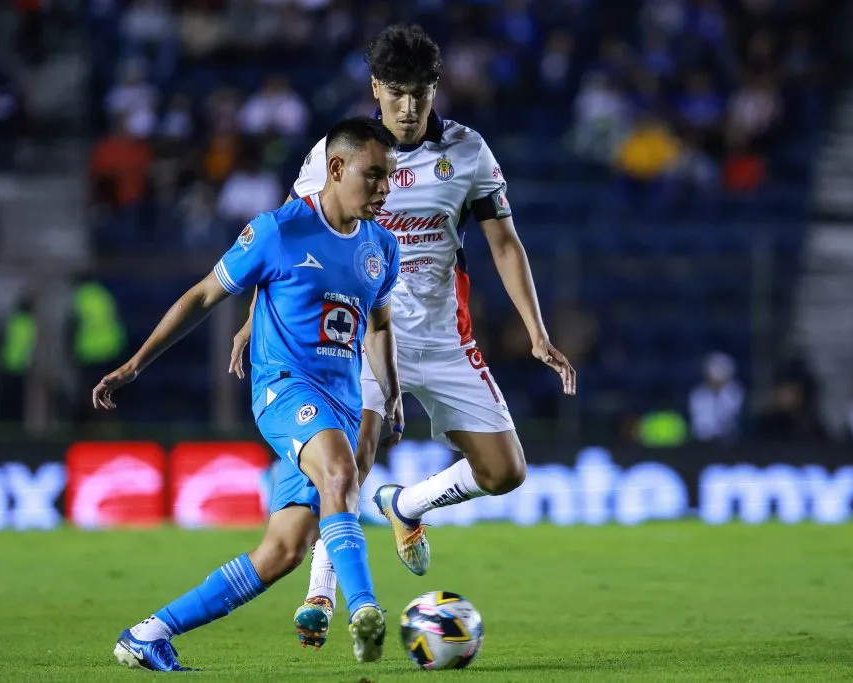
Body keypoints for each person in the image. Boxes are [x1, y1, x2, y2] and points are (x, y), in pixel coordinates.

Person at [230, 24, 576, 650]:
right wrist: (255, 318)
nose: (409, 108)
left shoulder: (468, 152)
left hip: (445, 337)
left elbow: (503, 241)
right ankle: (323, 594)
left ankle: (407, 505)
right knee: (350, 459)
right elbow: (291, 235)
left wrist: (536, 332)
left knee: (505, 473)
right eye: (396, 92)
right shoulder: (338, 154)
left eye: (420, 93)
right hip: (360, 333)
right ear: (375, 89)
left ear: (436, 89)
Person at [94, 117, 403, 671]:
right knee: (340, 473)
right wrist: (137, 363)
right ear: (336, 168)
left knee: (281, 552)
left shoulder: (381, 246)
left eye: (390, 178)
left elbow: (378, 325)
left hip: (341, 401)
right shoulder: (277, 230)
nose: (384, 189)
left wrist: (394, 393)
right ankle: (364, 610)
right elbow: (203, 295)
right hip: (283, 390)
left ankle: (148, 633)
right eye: (373, 176)